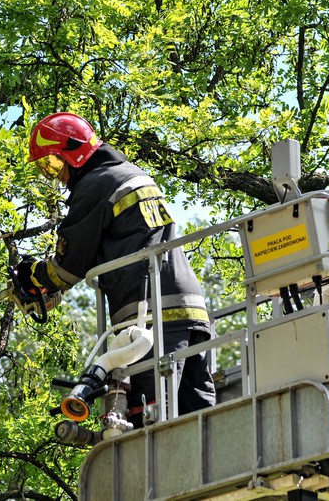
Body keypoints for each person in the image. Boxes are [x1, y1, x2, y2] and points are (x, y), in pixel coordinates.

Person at [14, 111, 215, 427]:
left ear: (74, 154)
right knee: (202, 418)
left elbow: (69, 268)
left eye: (53, 164)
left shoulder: (95, 186)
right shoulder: (131, 173)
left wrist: (34, 277)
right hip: (191, 311)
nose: (58, 176)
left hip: (149, 317)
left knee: (151, 422)